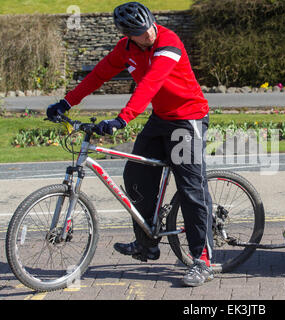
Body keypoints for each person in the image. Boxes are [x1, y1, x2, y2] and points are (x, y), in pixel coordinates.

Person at [46, 2, 214, 287]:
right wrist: (66, 101)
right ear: (127, 34)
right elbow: (98, 75)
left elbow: (151, 83)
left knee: (190, 189)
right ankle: (146, 245)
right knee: (135, 175)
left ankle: (203, 261)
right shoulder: (126, 49)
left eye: (148, 26)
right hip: (161, 119)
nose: (147, 34)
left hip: (188, 119)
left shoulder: (168, 42)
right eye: (139, 32)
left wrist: (121, 120)